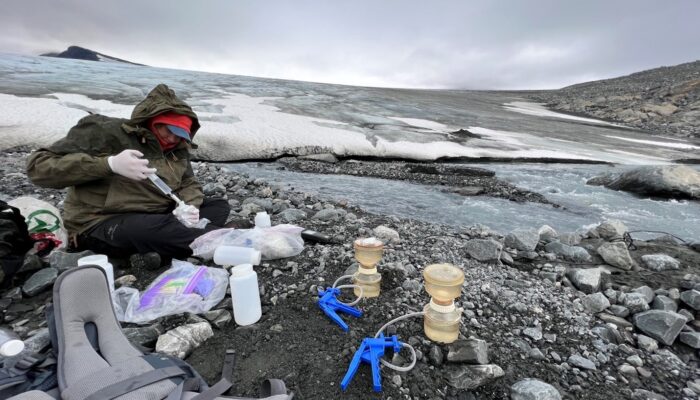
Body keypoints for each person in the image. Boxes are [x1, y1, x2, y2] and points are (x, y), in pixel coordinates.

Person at [26, 84, 231, 267]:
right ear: (153, 120)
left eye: (180, 134)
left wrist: (189, 205)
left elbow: (188, 182)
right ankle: (225, 241)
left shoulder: (177, 148)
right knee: (149, 230)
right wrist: (108, 164)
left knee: (218, 206)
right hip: (101, 220)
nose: (172, 138)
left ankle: (169, 246)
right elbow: (39, 167)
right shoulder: (105, 131)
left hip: (158, 214)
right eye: (168, 129)